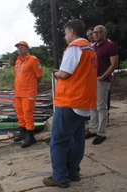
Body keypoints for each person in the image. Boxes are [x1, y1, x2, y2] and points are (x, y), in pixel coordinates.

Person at [43, 19, 97, 188]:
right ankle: (73, 171)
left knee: (58, 140)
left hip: (70, 102)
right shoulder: (90, 50)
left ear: (72, 32)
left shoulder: (74, 48)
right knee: (77, 139)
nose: (65, 37)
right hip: (83, 103)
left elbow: (65, 74)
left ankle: (60, 176)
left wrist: (56, 74)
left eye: (65, 33)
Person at [86, 25, 119, 145]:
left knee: (101, 107)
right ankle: (92, 129)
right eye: (94, 32)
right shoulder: (92, 47)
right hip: (92, 80)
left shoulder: (110, 46)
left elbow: (114, 63)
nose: (95, 34)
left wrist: (104, 76)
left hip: (102, 80)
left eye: (98, 32)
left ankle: (101, 133)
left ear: (104, 33)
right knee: (92, 106)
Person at [13, 41, 43, 148]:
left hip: (28, 92)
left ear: (26, 48)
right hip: (18, 92)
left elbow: (39, 76)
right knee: (19, 113)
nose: (19, 49)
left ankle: (30, 136)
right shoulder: (17, 61)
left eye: (21, 47)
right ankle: (22, 132)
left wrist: (32, 86)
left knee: (27, 113)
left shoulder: (33, 60)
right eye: (18, 48)